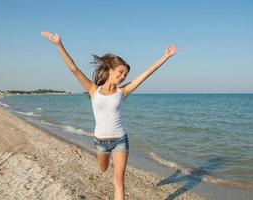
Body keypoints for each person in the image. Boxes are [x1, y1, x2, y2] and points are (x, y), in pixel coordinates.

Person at [41, 31, 177, 200]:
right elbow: (73, 68)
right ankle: (105, 163)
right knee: (103, 168)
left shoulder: (123, 92)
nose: (122, 77)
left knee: (119, 182)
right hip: (101, 142)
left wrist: (165, 57)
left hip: (121, 140)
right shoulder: (93, 90)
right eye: (120, 72)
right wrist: (58, 44)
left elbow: (147, 73)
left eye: (125, 75)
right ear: (110, 70)